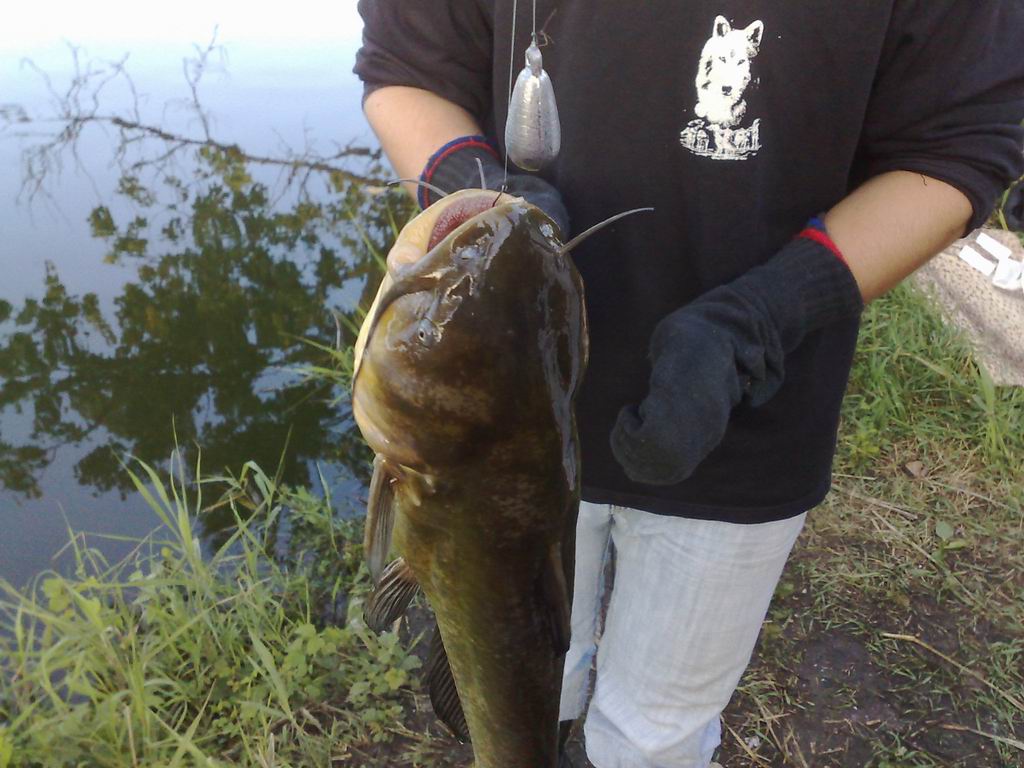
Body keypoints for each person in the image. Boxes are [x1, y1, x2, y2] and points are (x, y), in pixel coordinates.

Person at [353, 3, 1024, 766]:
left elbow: (960, 144)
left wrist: (764, 316)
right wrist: (476, 187)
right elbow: (408, 66)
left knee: (654, 736)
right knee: (526, 684)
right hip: (488, 426)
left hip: (751, 415)